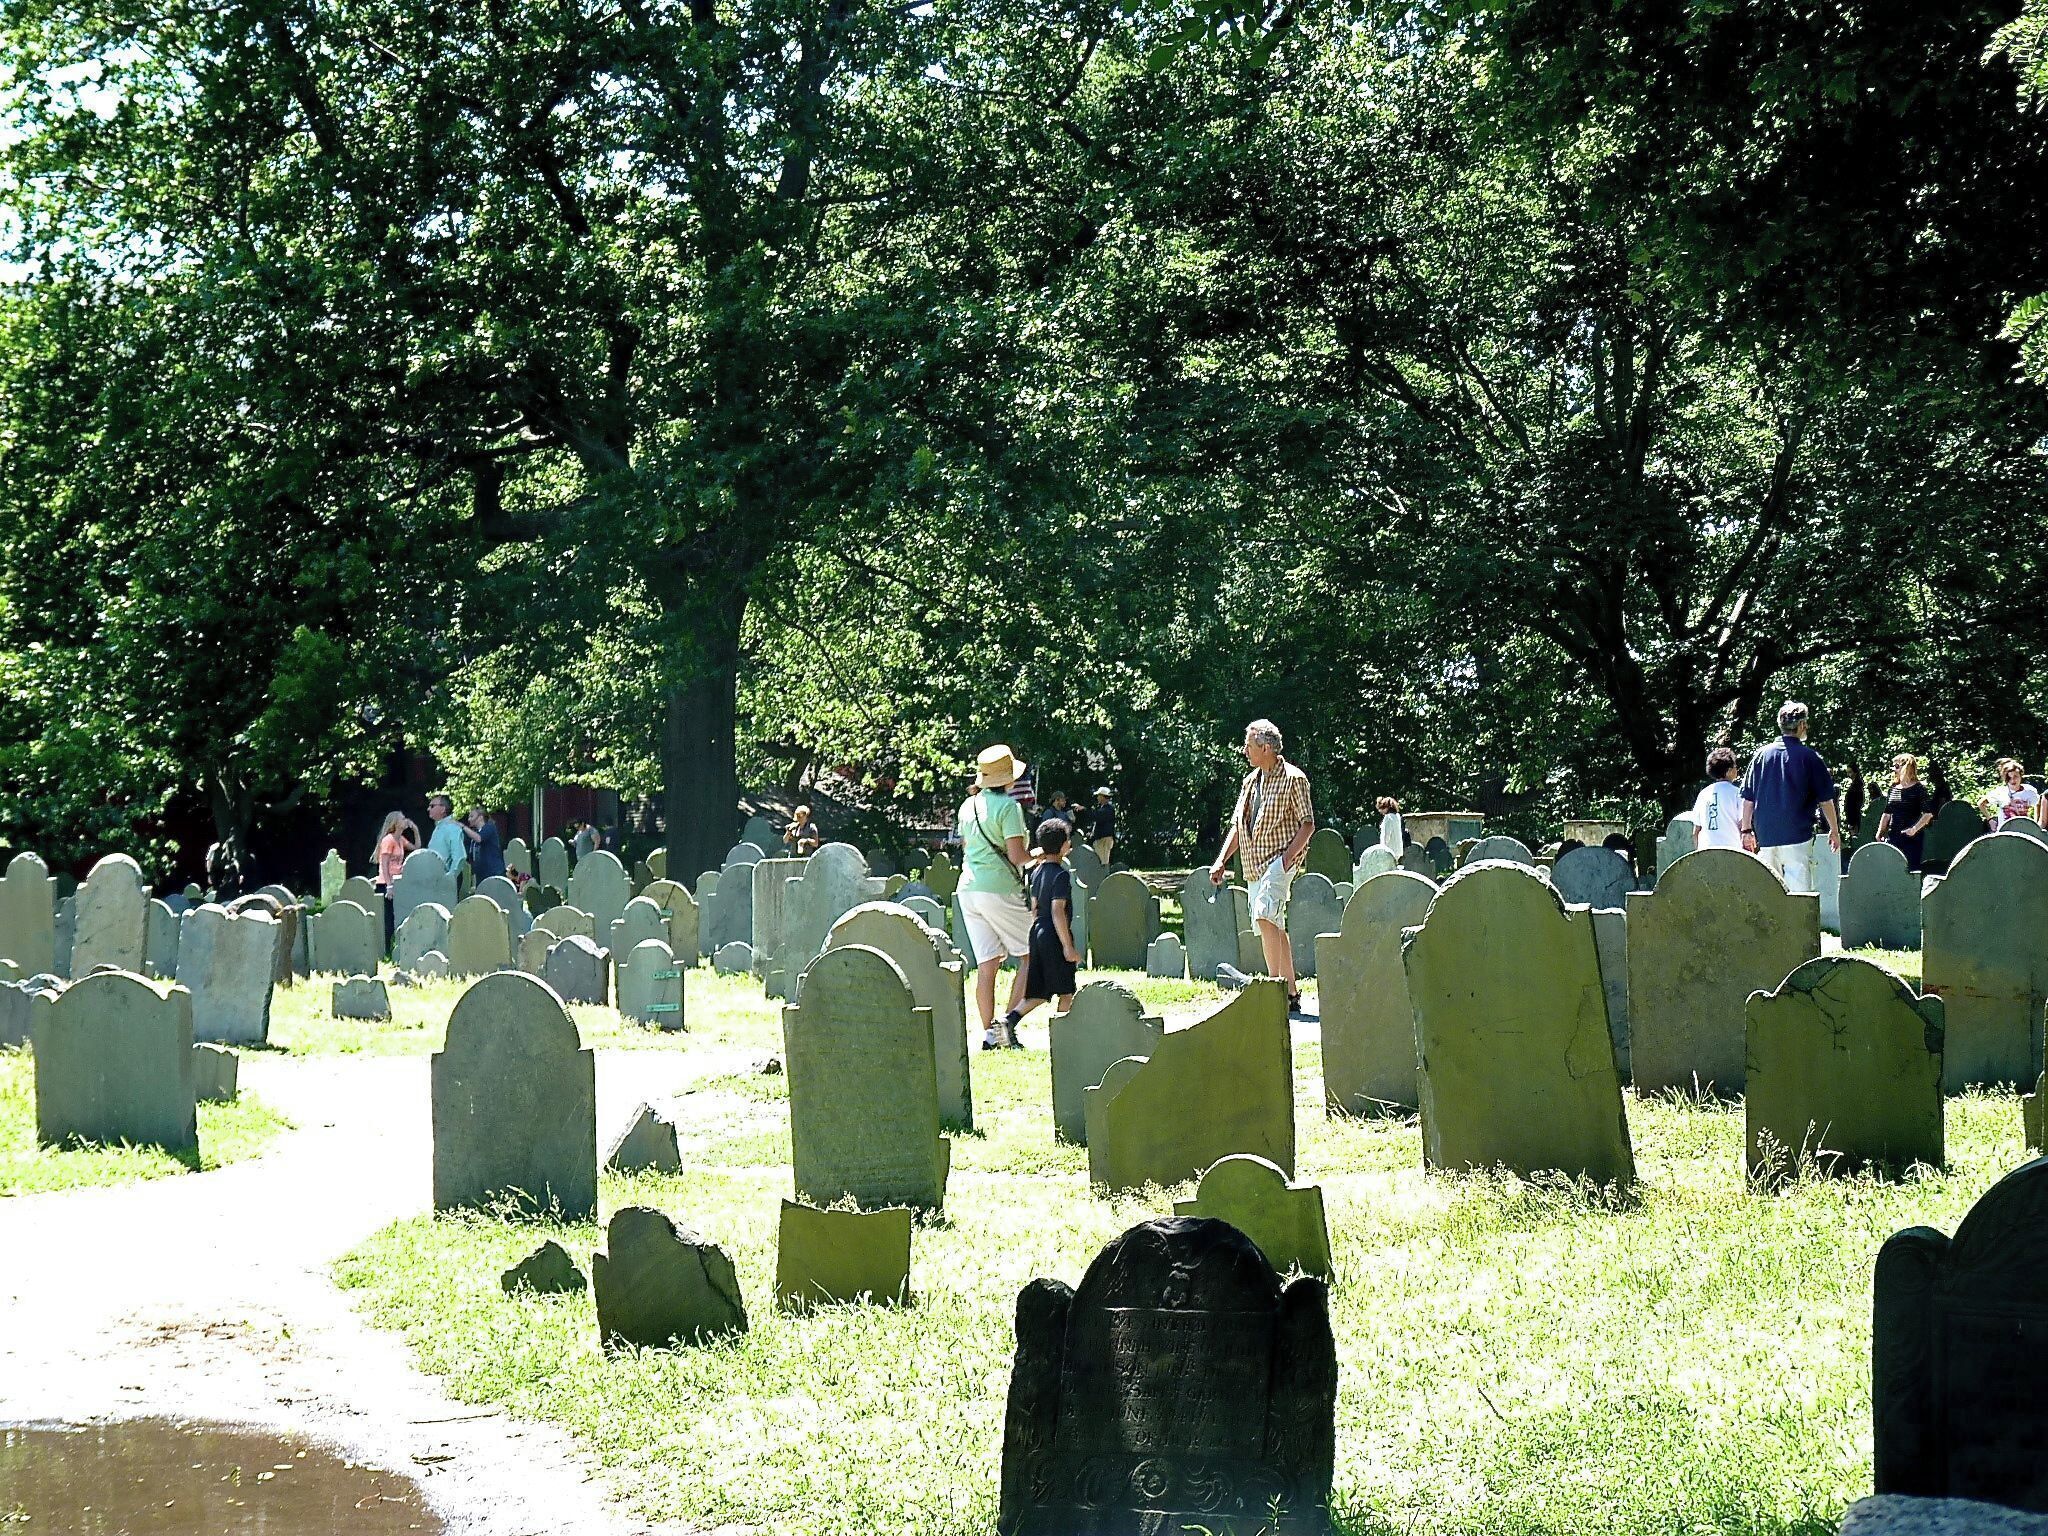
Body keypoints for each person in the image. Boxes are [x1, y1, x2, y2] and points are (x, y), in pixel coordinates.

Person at [1208, 720, 1315, 1016]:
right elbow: (1238, 827)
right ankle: (1291, 993)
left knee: (1264, 913)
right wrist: (1221, 861)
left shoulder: (1294, 779)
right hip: (1255, 864)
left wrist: (1285, 861)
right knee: (1273, 924)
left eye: (1249, 745)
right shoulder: (1250, 782)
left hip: (1281, 859)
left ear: (1265, 747)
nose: (1245, 751)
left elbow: (1307, 824)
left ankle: (1273, 991)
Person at [956, 745, 1034, 1050]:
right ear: (1008, 779)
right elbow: (1017, 857)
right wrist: (1038, 856)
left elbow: (968, 847)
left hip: (969, 889)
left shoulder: (967, 805)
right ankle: (1006, 1024)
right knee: (1032, 955)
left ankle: (989, 1034)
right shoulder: (1009, 808)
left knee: (987, 965)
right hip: (999, 889)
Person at [1738, 701, 1841, 894]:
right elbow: (1825, 799)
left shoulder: (1760, 756)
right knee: (1799, 893)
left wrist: (1746, 831)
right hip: (1797, 835)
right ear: (1801, 725)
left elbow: (1748, 799)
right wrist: (1834, 830)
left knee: (1769, 892)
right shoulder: (1810, 757)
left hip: (1766, 835)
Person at [1009, 818, 1082, 1030]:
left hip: (1037, 932)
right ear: (1062, 847)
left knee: (1038, 992)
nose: (1070, 844)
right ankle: (1064, 1034)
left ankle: (1008, 1021)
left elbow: (1034, 907)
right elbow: (1057, 910)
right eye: (1068, 840)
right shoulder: (1060, 876)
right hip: (1053, 935)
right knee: (1066, 992)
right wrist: (1067, 947)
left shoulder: (1037, 872)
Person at [1875, 753, 1936, 872]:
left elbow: (1928, 814)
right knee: (1891, 870)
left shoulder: (1919, 789)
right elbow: (1887, 812)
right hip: (1893, 836)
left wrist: (1914, 829)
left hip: (1911, 839)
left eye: (1897, 766)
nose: (1894, 770)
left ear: (1906, 767)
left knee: (1910, 871)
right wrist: (1880, 831)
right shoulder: (1893, 788)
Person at [1690, 748, 1745, 851]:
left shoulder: (1703, 794)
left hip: (1706, 851)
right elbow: (1743, 825)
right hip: (1732, 851)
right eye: (1735, 766)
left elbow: (1696, 830)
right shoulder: (1737, 793)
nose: (1736, 769)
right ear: (1729, 771)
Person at [1987, 758, 2041, 830]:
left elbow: (2038, 803)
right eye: (2009, 777)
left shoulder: (2029, 791)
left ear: (2021, 775)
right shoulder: (2000, 792)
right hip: (2004, 831)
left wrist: (2036, 823)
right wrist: (1990, 820)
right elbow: (1981, 803)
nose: (2013, 780)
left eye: (2015, 776)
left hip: (2023, 830)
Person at [426, 794, 469, 876]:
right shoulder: (439, 827)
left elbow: (460, 857)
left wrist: (449, 879)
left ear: (443, 809)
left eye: (432, 806)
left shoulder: (451, 828)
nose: (428, 809)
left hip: (442, 882)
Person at [463, 808, 505, 880]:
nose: (469, 819)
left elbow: (479, 839)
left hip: (493, 871)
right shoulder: (475, 832)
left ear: (480, 817)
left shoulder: (489, 827)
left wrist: (463, 826)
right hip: (481, 872)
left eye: (472, 816)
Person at [1088, 787, 1117, 864]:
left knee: (1103, 861)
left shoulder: (1108, 809)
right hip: (1101, 839)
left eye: (1099, 796)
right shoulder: (1103, 808)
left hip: (1104, 839)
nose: (1097, 798)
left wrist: (1084, 809)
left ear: (1103, 797)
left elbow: (1096, 816)